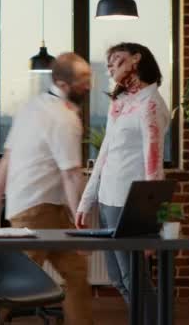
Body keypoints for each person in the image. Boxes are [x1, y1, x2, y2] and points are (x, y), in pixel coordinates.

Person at [0, 52, 93, 325]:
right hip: (38, 211)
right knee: (14, 283)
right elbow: (72, 176)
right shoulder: (64, 119)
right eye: (83, 80)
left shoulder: (33, 106)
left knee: (75, 274)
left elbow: (9, 156)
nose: (89, 85)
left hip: (40, 207)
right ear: (63, 84)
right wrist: (82, 226)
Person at [76, 42, 170, 324]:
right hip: (108, 201)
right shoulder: (120, 103)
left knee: (135, 280)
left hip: (130, 204)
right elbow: (104, 153)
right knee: (118, 279)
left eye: (115, 60)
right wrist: (86, 200)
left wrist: (154, 221)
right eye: (107, 64)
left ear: (136, 59)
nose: (110, 67)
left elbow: (154, 166)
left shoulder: (151, 104)